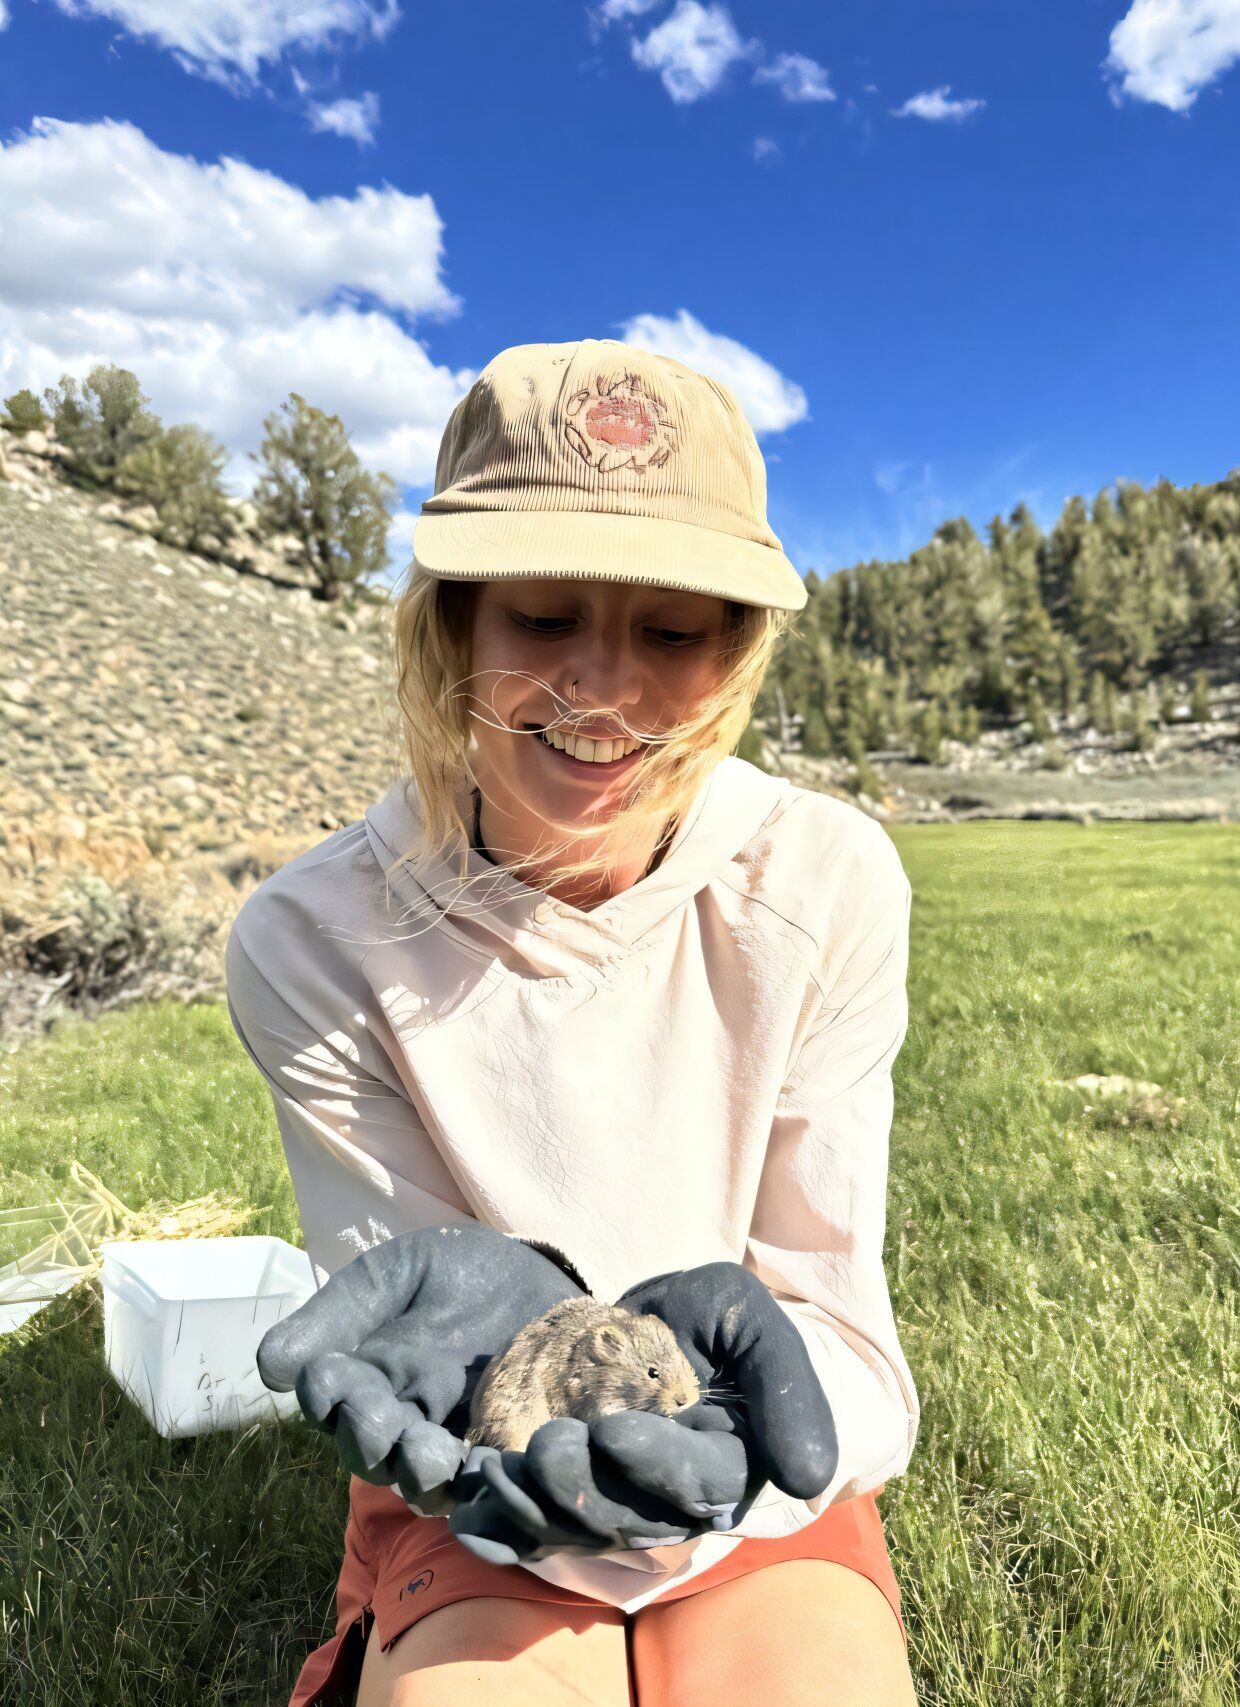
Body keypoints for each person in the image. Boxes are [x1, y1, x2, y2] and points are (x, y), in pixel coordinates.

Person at [224, 338, 920, 1706]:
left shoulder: (824, 882)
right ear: (455, 624)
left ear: (735, 652)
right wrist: (496, 1413)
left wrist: (755, 1439)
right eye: (544, 615)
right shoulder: (312, 938)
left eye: (671, 632)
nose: (605, 688)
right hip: (479, 1465)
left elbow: (837, 1328)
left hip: (753, 1446)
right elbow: (416, 1339)